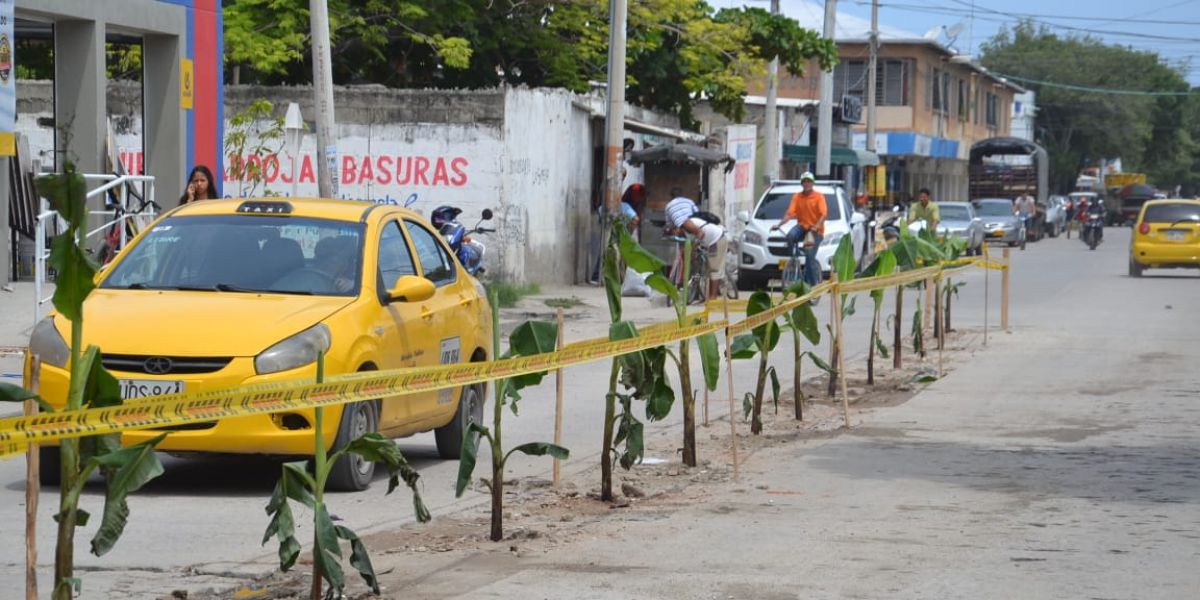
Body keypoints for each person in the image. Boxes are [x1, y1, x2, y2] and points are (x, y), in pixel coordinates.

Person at [770, 172, 826, 287]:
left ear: (812, 183)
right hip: (802, 227)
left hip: (815, 230)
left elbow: (823, 214)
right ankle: (793, 261)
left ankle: (811, 285)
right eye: (804, 181)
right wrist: (779, 224)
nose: (807, 184)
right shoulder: (797, 196)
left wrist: (816, 226)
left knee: (810, 257)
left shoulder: (819, 197)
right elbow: (789, 213)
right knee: (790, 236)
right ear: (801, 183)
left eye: (809, 181)